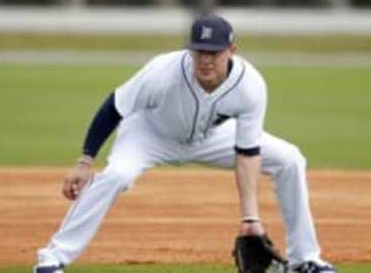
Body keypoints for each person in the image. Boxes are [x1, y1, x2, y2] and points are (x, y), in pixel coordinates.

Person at [33, 15, 337, 273]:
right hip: (149, 133)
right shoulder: (162, 71)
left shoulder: (250, 85)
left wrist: (250, 220)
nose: (205, 60)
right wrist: (85, 161)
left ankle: (305, 260)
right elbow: (113, 107)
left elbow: (247, 152)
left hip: (211, 138)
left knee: (290, 159)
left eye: (214, 53)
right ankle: (51, 260)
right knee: (117, 176)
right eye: (199, 51)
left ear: (232, 50)